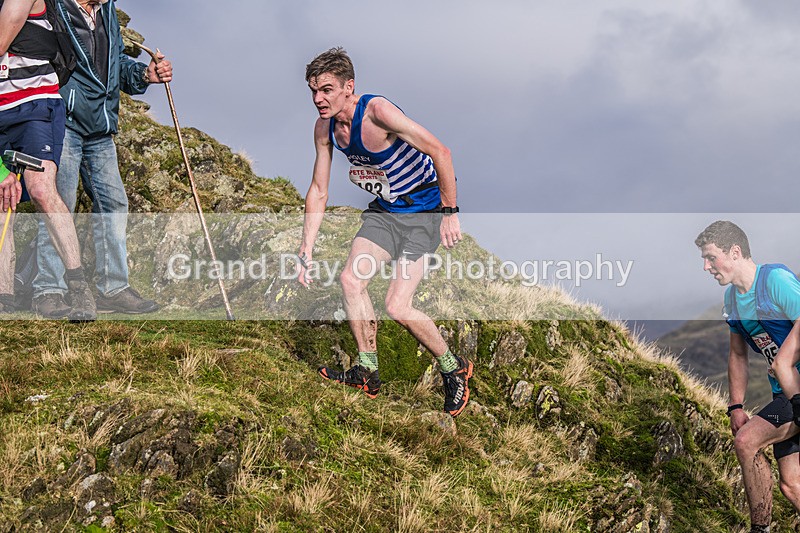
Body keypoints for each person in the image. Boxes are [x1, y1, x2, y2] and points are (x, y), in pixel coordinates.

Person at [298, 47, 472, 418]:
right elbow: (319, 189)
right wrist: (306, 249)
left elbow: (441, 151)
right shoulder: (325, 129)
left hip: (424, 213)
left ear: (349, 87)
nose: (318, 99)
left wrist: (449, 213)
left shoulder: (377, 112)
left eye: (327, 90)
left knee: (397, 306)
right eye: (314, 91)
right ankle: (367, 371)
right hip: (387, 213)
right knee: (350, 280)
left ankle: (453, 367)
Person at [30, 0, 172, 317]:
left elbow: (116, 64)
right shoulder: (53, 7)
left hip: (101, 127)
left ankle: (113, 288)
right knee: (58, 203)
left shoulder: (106, 10)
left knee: (114, 203)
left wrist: (144, 74)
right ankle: (48, 290)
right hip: (62, 122)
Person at [696, 220, 800, 533]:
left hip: (796, 391)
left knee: (746, 442)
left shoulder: (774, 279)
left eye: (711, 257)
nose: (706, 267)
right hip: (784, 395)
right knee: (792, 485)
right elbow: (738, 355)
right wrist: (736, 405)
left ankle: (760, 529)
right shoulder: (732, 300)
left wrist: (783, 361)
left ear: (735, 251)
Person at [0, 0, 95, 321]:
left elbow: (1, 41)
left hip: (34, 104)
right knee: (1, 199)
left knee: (41, 189)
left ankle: (78, 287)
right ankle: (4, 298)